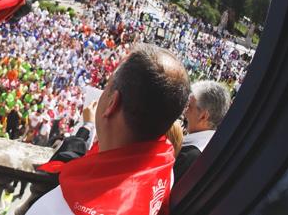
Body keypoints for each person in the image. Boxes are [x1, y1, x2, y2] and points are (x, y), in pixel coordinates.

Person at [28, 44, 190, 215]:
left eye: (108, 85)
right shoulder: (164, 166)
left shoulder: (54, 208)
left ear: (112, 102)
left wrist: (88, 127)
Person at [174, 80, 231, 181]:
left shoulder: (190, 156)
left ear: (203, 116)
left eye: (189, 106)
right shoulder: (211, 148)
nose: (184, 111)